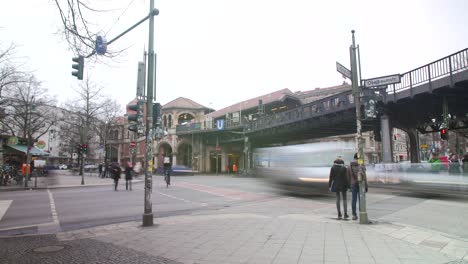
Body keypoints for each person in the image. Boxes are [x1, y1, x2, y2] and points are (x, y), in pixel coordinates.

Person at [347, 153, 368, 221]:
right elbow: (364, 177)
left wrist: (349, 185)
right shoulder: (361, 165)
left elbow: (348, 177)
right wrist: (366, 186)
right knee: (361, 199)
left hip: (353, 184)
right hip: (361, 184)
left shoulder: (349, 166)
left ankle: (354, 215)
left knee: (353, 199)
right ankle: (361, 213)